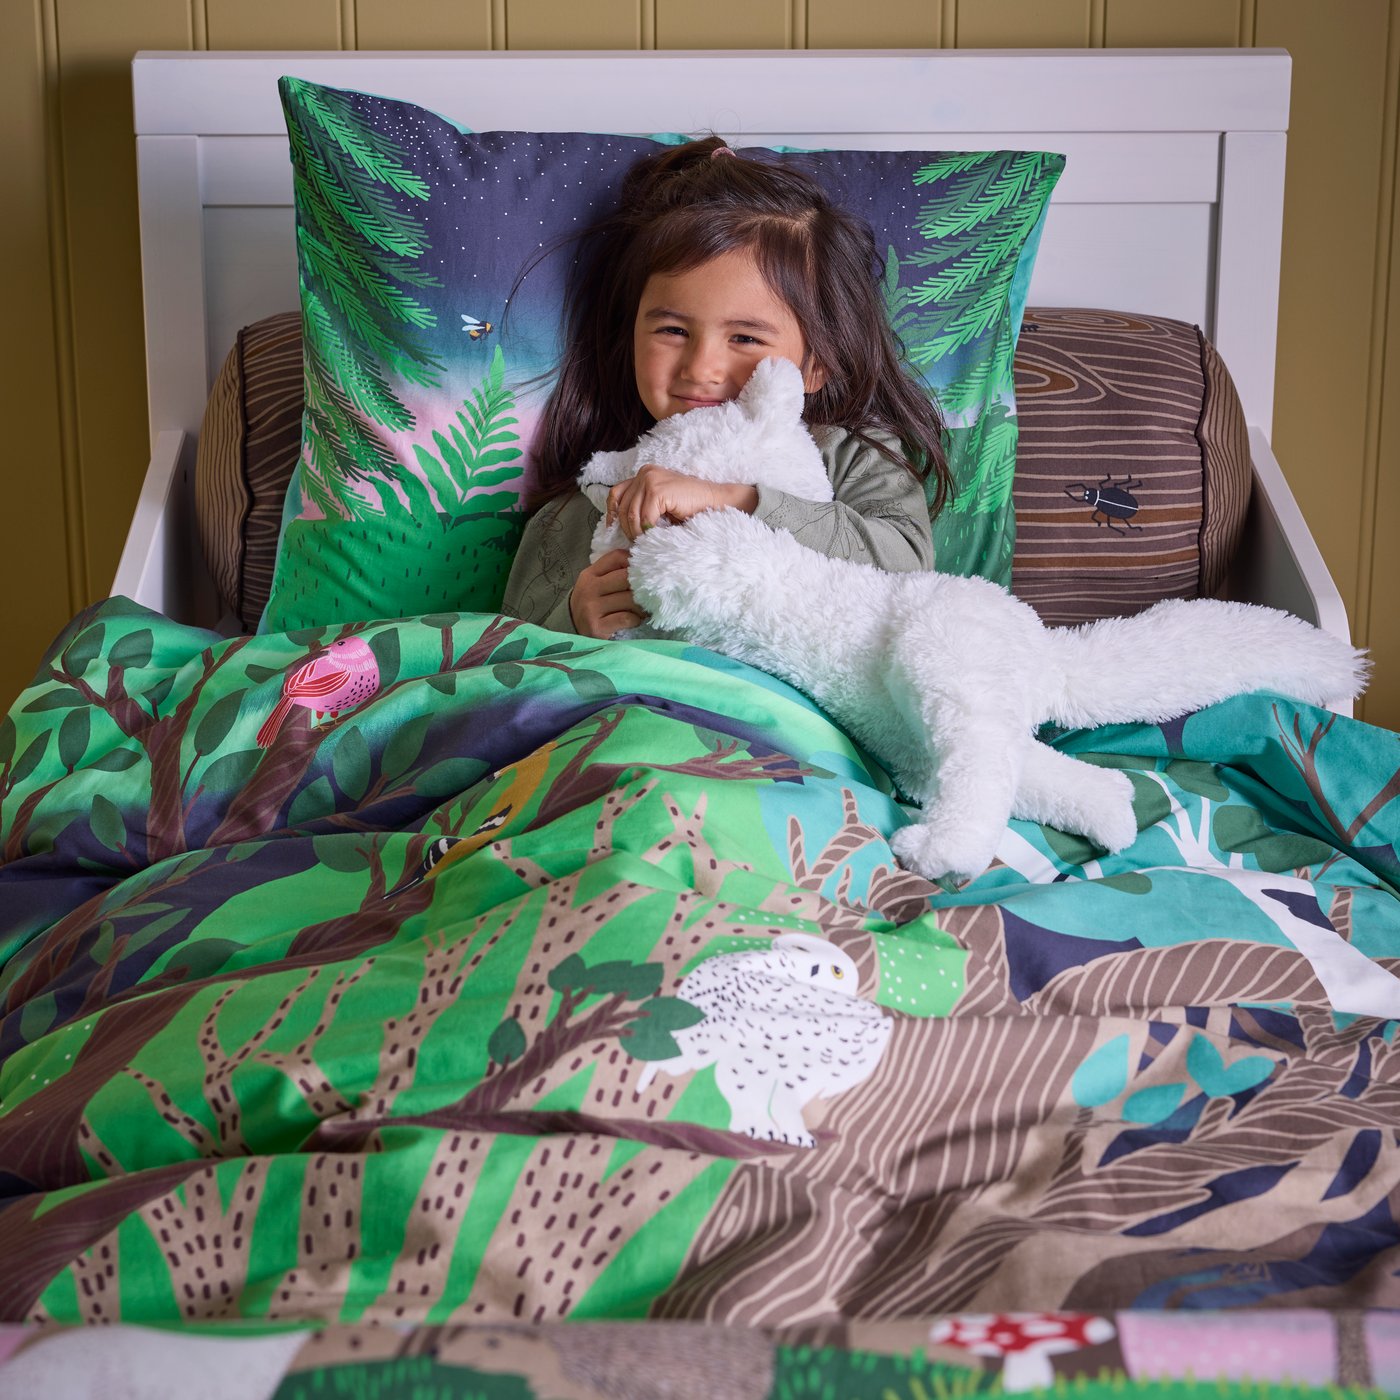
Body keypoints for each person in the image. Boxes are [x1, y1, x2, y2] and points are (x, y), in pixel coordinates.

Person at [501, 135, 951, 639]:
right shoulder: (592, 494)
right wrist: (573, 617)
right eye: (673, 331)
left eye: (745, 337)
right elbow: (511, 654)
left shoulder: (851, 459)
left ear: (816, 364)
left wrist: (733, 500)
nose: (701, 366)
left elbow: (908, 569)